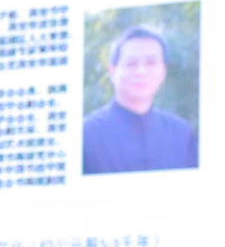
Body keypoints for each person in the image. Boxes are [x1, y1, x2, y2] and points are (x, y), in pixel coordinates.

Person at [83, 25, 198, 175]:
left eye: (151, 63)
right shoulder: (85, 134)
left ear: (163, 71)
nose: (141, 72)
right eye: (131, 63)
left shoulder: (182, 134)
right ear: (112, 72)